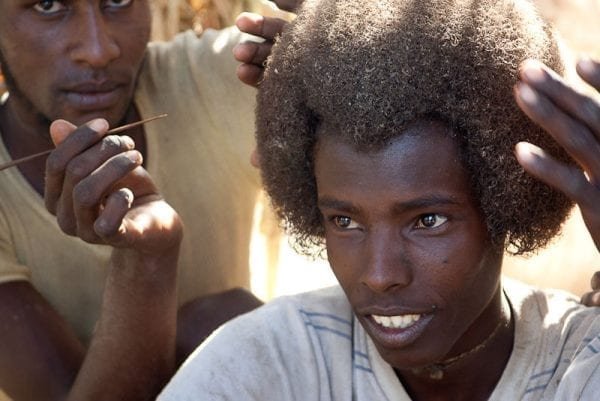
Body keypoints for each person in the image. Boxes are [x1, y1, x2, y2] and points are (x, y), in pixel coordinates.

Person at [156, 0, 600, 399]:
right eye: (345, 221)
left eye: (427, 221)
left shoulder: (578, 364)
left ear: (510, 200)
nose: (379, 275)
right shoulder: (267, 362)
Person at [0, 0, 296, 399]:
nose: (99, 49)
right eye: (49, 6)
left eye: (118, 1)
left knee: (220, 322)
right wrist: (147, 262)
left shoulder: (215, 77)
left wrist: (336, 58)